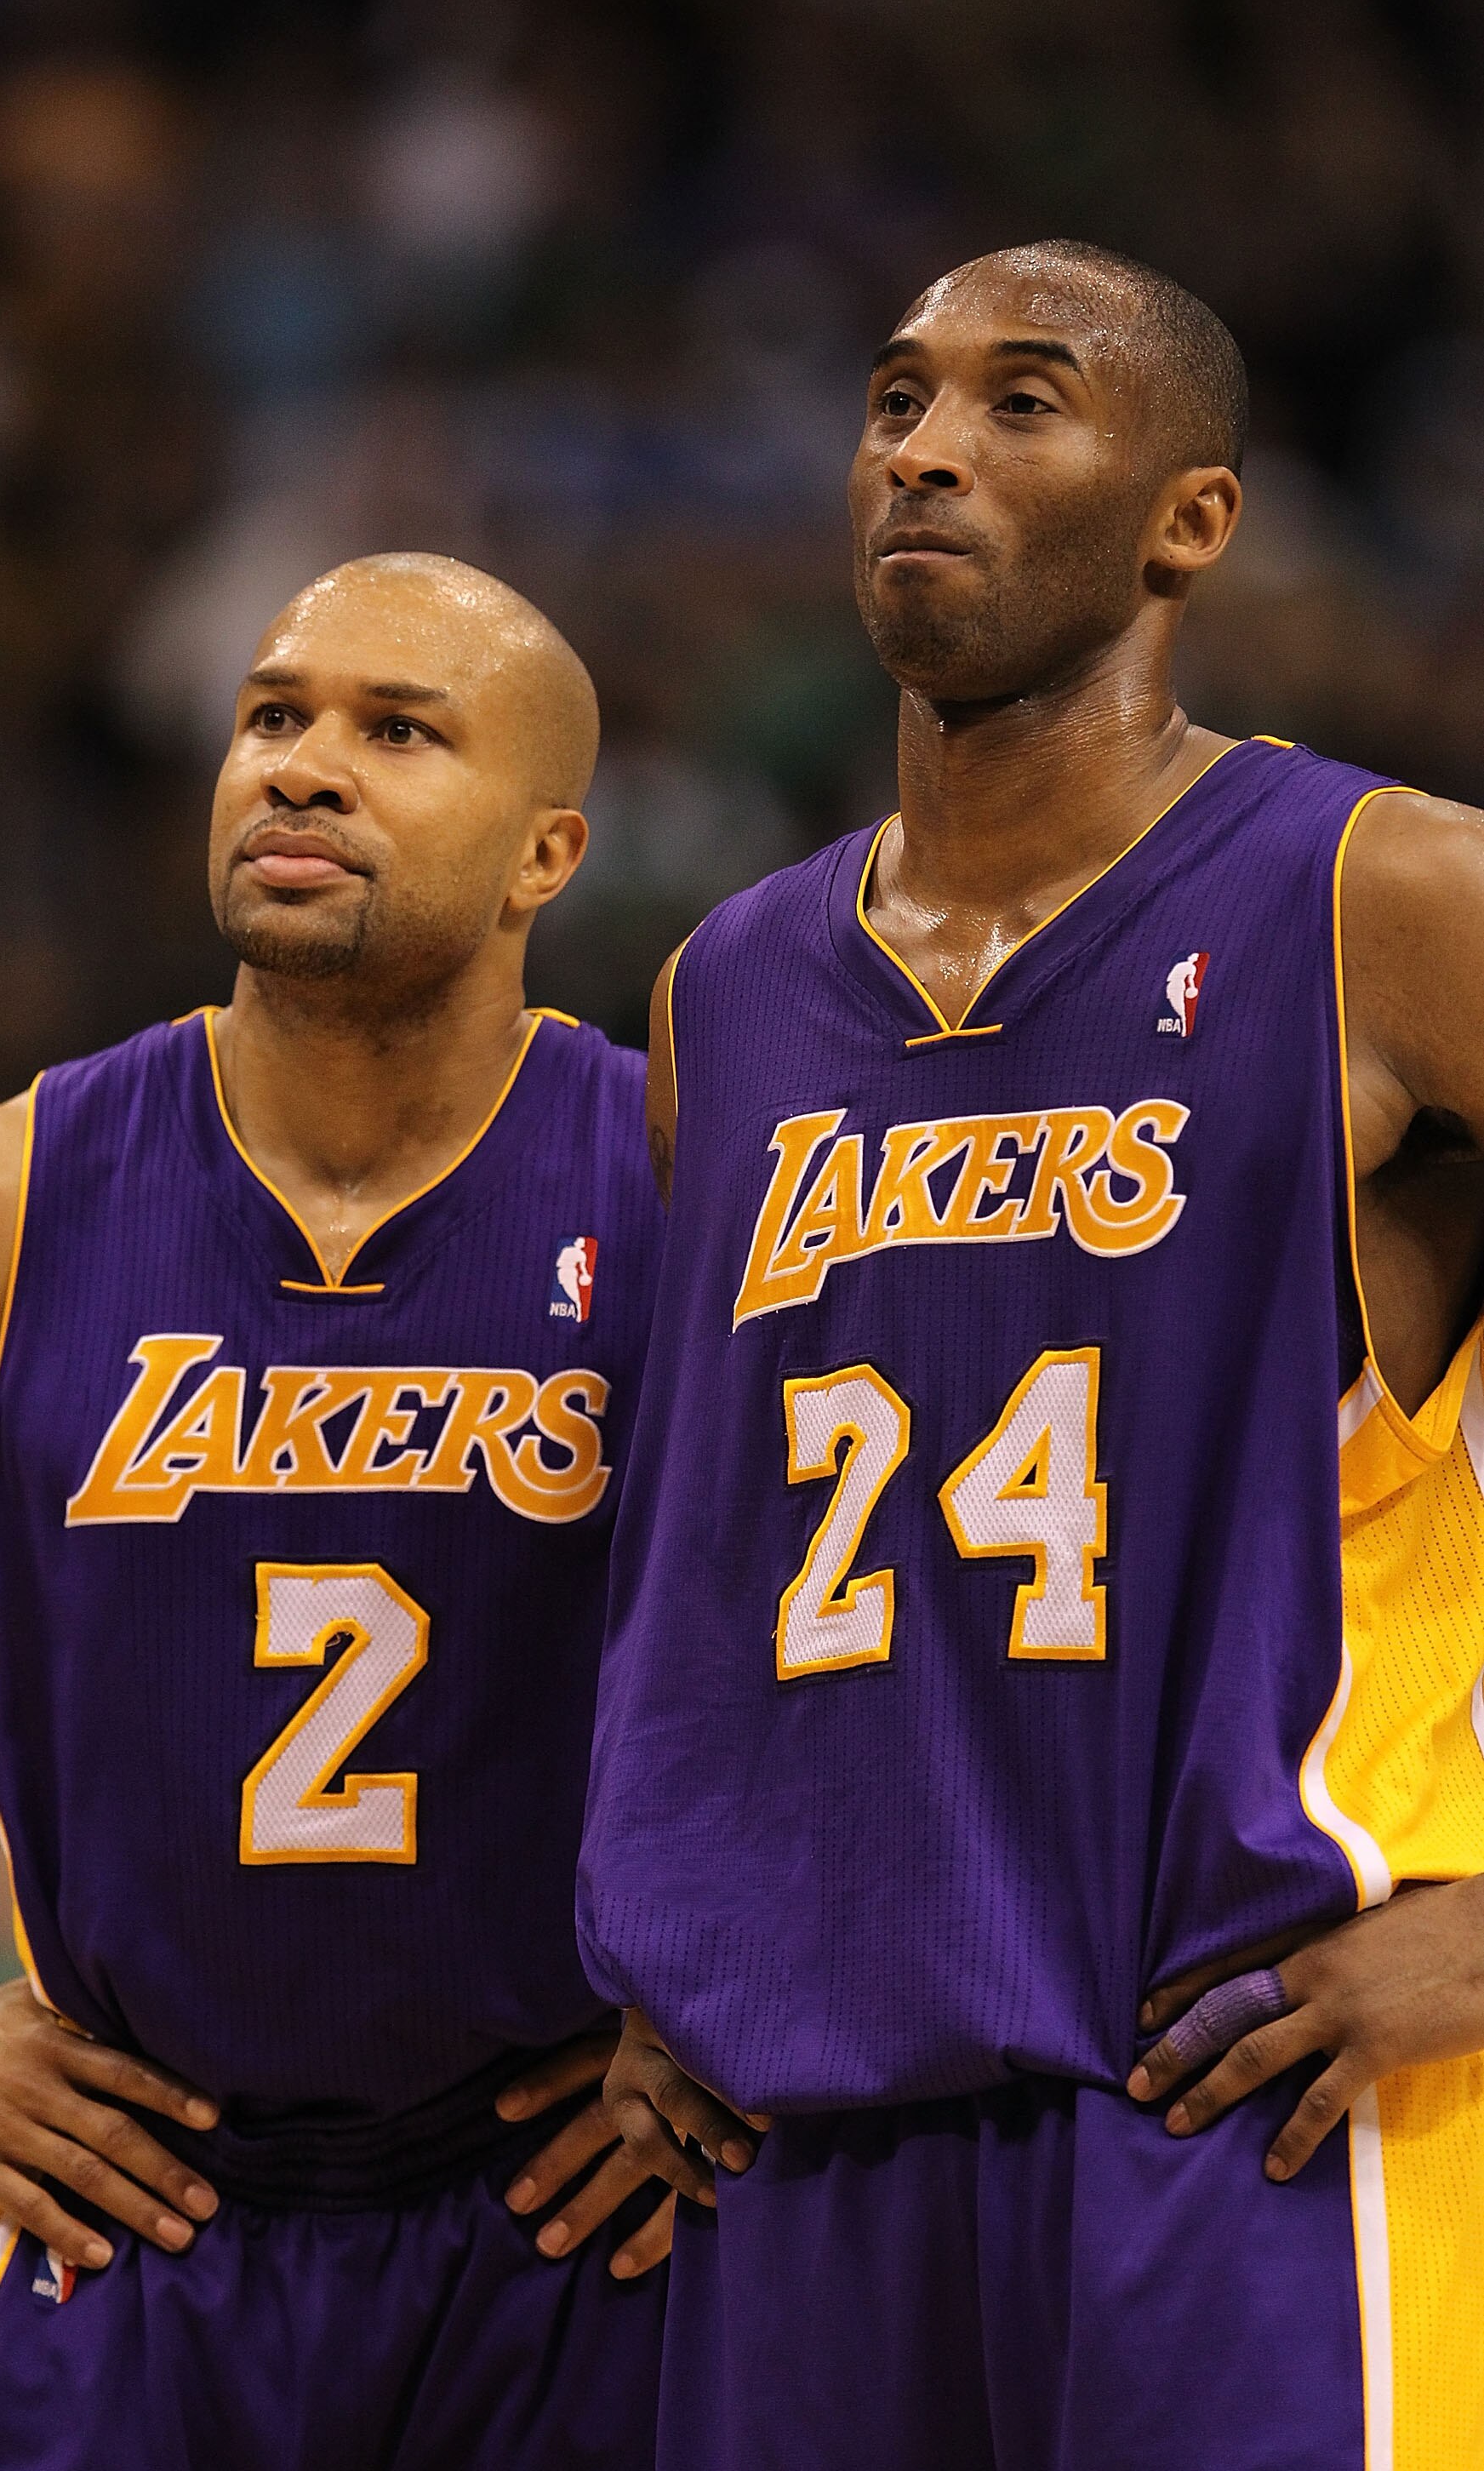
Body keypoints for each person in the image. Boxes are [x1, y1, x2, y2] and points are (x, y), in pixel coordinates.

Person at [578, 242, 1484, 2470]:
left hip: (1246, 2091)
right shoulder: (728, 987)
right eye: (894, 397)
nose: (922, 448)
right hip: (804, 2127)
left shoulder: (1382, 894)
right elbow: (705, 1546)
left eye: (1020, 400)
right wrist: (662, 1948)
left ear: (1190, 518)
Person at [0, 552, 673, 2470]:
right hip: (117, 2212)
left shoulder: (682, 1186)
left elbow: (899, 1660)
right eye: (272, 716)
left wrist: (744, 2019)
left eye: (396, 732)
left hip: (574, 2213)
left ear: (544, 857)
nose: (301, 767)